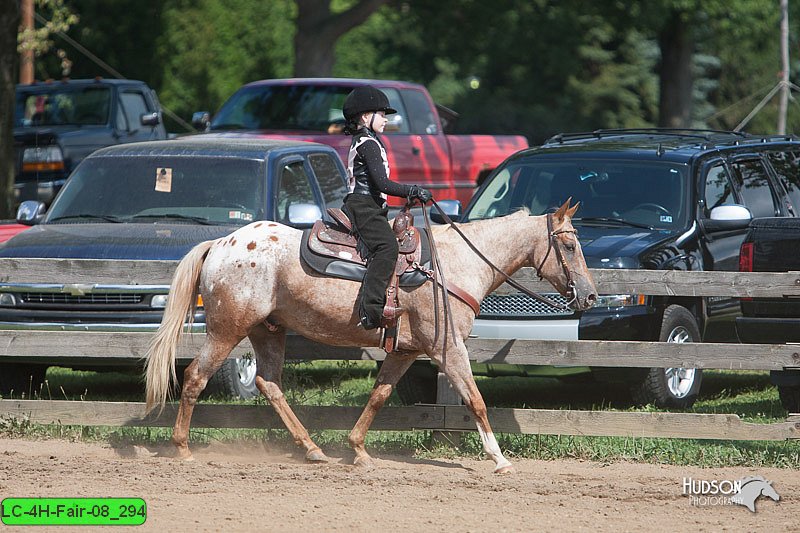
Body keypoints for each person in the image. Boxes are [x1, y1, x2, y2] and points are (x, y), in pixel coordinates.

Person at [341, 85, 432, 330]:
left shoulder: (368, 141)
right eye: (381, 114)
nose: (385, 119)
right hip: (363, 206)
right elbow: (382, 183)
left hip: (370, 205)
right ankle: (370, 311)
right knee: (387, 246)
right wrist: (412, 191)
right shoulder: (368, 144)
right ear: (364, 117)